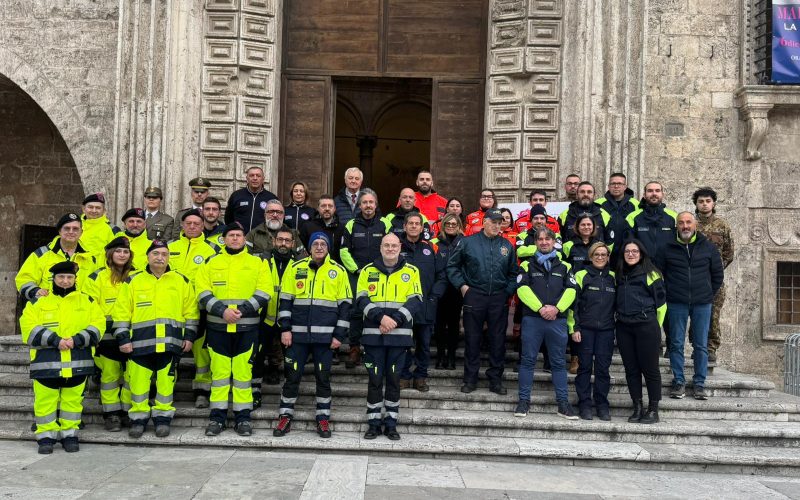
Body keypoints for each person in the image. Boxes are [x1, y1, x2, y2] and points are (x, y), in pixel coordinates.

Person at [112, 240, 198, 438]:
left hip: (171, 343)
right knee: (139, 384)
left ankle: (163, 419)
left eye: (164, 254)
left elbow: (191, 312)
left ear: (169, 257)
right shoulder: (133, 281)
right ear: (148, 257)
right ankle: (138, 419)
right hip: (139, 344)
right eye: (156, 254)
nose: (160, 257)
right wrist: (123, 338)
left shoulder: (180, 281)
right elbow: (122, 312)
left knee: (165, 385)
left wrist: (190, 337)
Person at [272, 232, 352, 439]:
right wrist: (285, 329)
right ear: (308, 247)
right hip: (296, 338)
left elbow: (345, 306)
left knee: (323, 379)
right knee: (292, 377)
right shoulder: (296, 268)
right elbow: (286, 301)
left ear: (327, 247)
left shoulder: (338, 271)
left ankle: (323, 418)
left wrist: (339, 336)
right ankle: (285, 416)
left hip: (325, 340)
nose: (318, 247)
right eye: (314, 243)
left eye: (322, 244)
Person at [197, 222, 273, 437]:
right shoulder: (211, 262)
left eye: (238, 235)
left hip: (247, 328)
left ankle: (243, 419)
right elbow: (201, 290)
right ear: (224, 238)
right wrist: (222, 311)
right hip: (218, 328)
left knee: (242, 374)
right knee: (219, 374)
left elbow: (265, 291)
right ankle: (217, 418)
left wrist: (242, 310)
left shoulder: (257, 262)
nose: (235, 239)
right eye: (231, 235)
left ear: (243, 238)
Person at [20, 261, 104, 454]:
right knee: (45, 401)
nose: (65, 281)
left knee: (72, 401)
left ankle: (70, 435)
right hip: (46, 362)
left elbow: (98, 325)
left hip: (78, 360)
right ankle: (46, 437)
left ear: (75, 279)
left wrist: (76, 340)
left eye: (69, 277)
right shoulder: (38, 302)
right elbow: (28, 327)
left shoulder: (87, 301)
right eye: (61, 277)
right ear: (54, 279)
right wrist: (56, 340)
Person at [356, 234, 423, 440]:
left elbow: (416, 300)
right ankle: (374, 424)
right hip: (373, 337)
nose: (391, 248)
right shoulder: (367, 271)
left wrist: (394, 320)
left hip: (399, 336)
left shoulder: (412, 271)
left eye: (394, 245)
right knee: (375, 381)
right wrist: (381, 318)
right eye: (387, 245)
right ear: (381, 247)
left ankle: (391, 423)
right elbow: (360, 298)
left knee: (394, 381)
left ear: (400, 247)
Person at [447, 208, 518, 395]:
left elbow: (513, 273)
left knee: (497, 341)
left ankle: (495, 380)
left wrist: (507, 293)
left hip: (498, 297)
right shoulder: (467, 242)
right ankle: (470, 379)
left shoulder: (507, 246)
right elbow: (452, 266)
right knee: (472, 339)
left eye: (500, 222)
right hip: (474, 295)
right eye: (493, 222)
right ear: (484, 222)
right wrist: (463, 286)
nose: (497, 225)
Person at [514, 227, 578, 419]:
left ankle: (563, 404)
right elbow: (522, 289)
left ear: (553, 242)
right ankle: (523, 402)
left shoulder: (565, 266)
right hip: (533, 319)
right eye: (540, 239)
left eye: (547, 239)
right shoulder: (526, 265)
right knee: (528, 361)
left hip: (557, 321)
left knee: (558, 363)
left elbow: (572, 291)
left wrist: (556, 309)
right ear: (535, 243)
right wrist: (541, 308)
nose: (543, 242)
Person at [663, 212, 724, 401]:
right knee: (676, 344)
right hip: (676, 302)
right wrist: (668, 293)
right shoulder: (667, 247)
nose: (685, 226)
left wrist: (706, 293)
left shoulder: (708, 247)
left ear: (695, 225)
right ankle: (679, 381)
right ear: (676, 226)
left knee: (700, 345)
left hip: (702, 304)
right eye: (681, 223)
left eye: (688, 222)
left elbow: (717, 275)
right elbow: (659, 273)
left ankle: (699, 384)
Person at [167, 209, 219, 408]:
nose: (192, 227)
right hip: (172, 307)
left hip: (200, 308)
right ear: (182, 225)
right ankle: (166, 389)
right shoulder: (169, 247)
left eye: (196, 224)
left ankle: (202, 391)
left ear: (202, 225)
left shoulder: (212, 249)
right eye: (188, 223)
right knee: (171, 348)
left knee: (201, 351)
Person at [83, 237, 135, 431]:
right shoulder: (96, 277)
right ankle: (111, 414)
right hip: (106, 336)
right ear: (110, 253)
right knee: (110, 376)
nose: (122, 255)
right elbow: (90, 308)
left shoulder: (136, 276)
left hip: (131, 334)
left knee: (131, 376)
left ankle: (127, 411)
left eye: (126, 252)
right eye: (118, 251)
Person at [615, 239, 666, 424]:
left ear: (641, 253)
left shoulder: (652, 274)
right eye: (627, 251)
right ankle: (637, 407)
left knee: (650, 369)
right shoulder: (618, 275)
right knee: (631, 370)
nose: (631, 254)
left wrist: (654, 327)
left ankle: (653, 409)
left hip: (646, 327)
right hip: (624, 327)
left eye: (635, 251)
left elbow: (661, 305)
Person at [340, 189, 391, 368]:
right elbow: (344, 251)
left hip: (380, 274)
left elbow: (391, 246)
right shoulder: (351, 225)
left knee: (377, 308)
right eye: (365, 202)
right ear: (359, 205)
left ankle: (373, 348)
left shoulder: (385, 224)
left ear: (376, 205)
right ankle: (354, 348)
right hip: (357, 274)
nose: (368, 205)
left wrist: (381, 267)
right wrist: (357, 270)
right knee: (356, 311)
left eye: (371, 202)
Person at [398, 213, 447, 392]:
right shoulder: (396, 245)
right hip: (402, 306)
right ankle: (403, 376)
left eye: (417, 224)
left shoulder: (431, 248)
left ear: (422, 227)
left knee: (424, 345)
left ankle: (420, 377)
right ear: (404, 226)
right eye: (410, 223)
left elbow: (442, 275)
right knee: (403, 344)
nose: (413, 226)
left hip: (426, 304)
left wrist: (434, 296)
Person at [570, 242, 616, 421]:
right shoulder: (581, 275)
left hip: (606, 331)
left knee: (603, 370)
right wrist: (574, 327)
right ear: (590, 256)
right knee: (584, 368)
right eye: (596, 254)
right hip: (585, 331)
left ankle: (602, 405)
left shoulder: (613, 276)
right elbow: (574, 305)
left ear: (608, 257)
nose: (600, 257)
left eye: (604, 254)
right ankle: (584, 404)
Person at [252, 226, 296, 397]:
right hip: (265, 318)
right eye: (280, 240)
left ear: (292, 243)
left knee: (290, 359)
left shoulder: (298, 265)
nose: (283, 243)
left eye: (287, 240)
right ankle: (255, 393)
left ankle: (288, 394)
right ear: (273, 241)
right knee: (258, 356)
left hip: (289, 319)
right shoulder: (263, 262)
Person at [16, 213, 98, 302]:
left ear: (81, 232)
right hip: (48, 311)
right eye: (67, 228)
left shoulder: (91, 258)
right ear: (59, 231)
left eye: (75, 229)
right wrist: (35, 291)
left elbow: (98, 287)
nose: (71, 231)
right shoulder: (42, 254)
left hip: (79, 312)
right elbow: (23, 279)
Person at [693, 187, 734, 362]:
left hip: (714, 281)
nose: (704, 204)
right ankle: (697, 346)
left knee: (713, 314)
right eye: (701, 201)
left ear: (714, 203)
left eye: (708, 201)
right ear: (696, 203)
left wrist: (716, 270)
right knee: (695, 314)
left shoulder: (722, 226)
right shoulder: (690, 224)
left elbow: (729, 253)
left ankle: (710, 348)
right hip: (694, 279)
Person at [561, 214, 603, 374]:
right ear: (577, 227)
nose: (586, 227)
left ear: (594, 228)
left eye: (589, 225)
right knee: (575, 322)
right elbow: (563, 266)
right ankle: (575, 357)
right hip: (574, 288)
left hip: (594, 289)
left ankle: (590, 358)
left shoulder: (599, 245)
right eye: (583, 225)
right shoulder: (569, 245)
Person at [431, 213, 464, 370]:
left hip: (456, 290)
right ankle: (440, 355)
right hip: (439, 289)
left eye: (454, 224)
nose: (451, 226)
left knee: (453, 325)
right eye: (448, 224)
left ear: (459, 226)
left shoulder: (465, 243)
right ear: (443, 225)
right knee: (439, 325)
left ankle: (451, 356)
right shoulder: (434, 243)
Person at [625, 181, 677, 270]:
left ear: (662, 194)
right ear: (644, 195)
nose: (654, 193)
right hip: (641, 268)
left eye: (657, 191)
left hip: (669, 268)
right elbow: (628, 244)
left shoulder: (674, 217)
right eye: (650, 191)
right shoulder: (633, 217)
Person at [596, 173, 639, 266]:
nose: (616, 186)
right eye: (613, 184)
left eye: (619, 184)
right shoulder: (598, 204)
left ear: (625, 186)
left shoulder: (636, 205)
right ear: (608, 186)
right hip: (604, 253)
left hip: (628, 253)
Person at [224, 166, 278, 234]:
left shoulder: (271, 198)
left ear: (263, 179)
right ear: (247, 178)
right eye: (251, 175)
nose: (255, 178)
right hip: (240, 238)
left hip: (262, 240)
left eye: (258, 176)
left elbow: (276, 219)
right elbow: (228, 219)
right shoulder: (236, 195)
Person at [299, 194, 344, 264]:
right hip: (312, 268)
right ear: (318, 208)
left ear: (335, 209)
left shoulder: (342, 228)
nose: (327, 209)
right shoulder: (307, 227)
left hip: (334, 271)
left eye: (330, 206)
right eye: (323, 206)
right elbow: (301, 250)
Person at [79, 193, 123, 260]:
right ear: (83, 209)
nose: (94, 211)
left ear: (104, 210)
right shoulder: (74, 226)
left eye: (98, 208)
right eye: (90, 207)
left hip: (101, 270)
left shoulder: (113, 229)